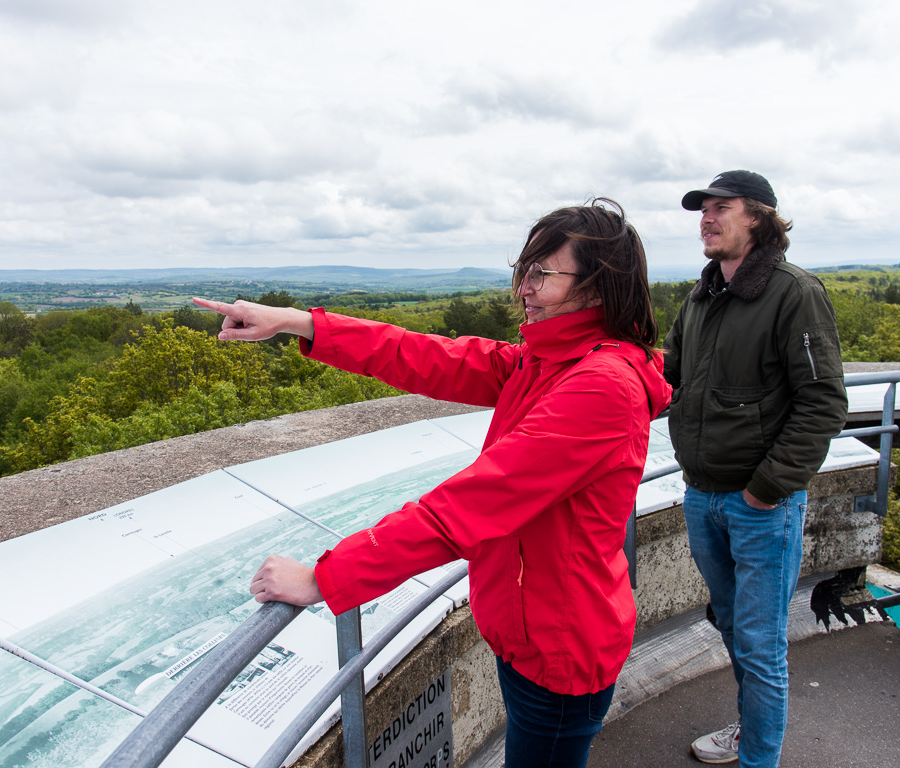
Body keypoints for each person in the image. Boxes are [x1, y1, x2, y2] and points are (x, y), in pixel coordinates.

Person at [194, 199, 672, 768]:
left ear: (597, 288)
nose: (525, 287)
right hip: (532, 634)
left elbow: (468, 505)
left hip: (559, 648)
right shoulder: (546, 362)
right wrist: (298, 322)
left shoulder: (599, 387)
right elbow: (422, 354)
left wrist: (325, 578)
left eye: (542, 274)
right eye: (524, 270)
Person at [662, 171, 848, 767]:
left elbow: (823, 402)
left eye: (721, 208)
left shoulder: (794, 292)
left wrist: (766, 491)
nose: (706, 219)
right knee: (734, 628)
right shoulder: (702, 294)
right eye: (702, 210)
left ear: (759, 218)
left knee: (762, 646)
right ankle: (751, 733)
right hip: (702, 495)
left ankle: (758, 759)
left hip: (759, 504)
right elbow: (666, 374)